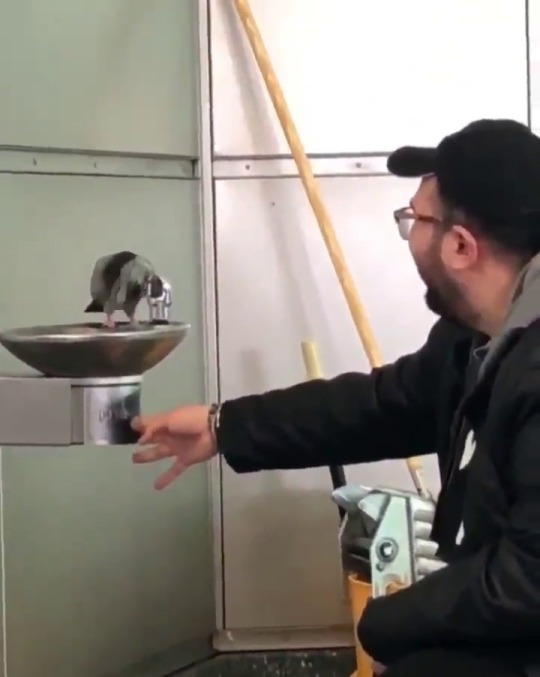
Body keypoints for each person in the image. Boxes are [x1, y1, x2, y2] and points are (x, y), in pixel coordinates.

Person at [131, 119, 540, 677]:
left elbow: (529, 579)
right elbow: (382, 405)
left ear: (462, 247)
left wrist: (392, 621)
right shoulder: (475, 339)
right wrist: (223, 425)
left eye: (413, 220)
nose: (409, 233)